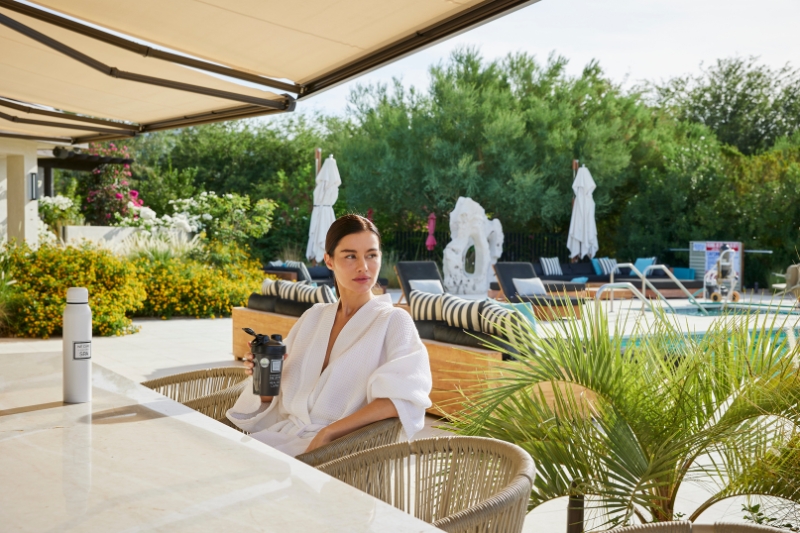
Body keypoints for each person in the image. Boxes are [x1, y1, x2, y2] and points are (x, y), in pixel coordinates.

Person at [226, 215, 432, 457]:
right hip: (285, 438)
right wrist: (266, 375)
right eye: (350, 255)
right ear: (329, 261)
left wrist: (329, 433)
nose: (363, 266)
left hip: (338, 453)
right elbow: (276, 399)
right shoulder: (314, 317)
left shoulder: (394, 322)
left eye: (371, 255)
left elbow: (401, 399)